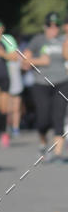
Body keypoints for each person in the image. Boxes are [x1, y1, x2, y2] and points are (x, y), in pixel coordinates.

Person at [22, 12, 68, 161]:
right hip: (41, 83)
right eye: (50, 25)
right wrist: (40, 61)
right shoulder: (37, 40)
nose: (53, 28)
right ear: (45, 26)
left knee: (59, 116)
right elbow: (24, 61)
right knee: (43, 119)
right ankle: (43, 142)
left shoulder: (64, 40)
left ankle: (58, 153)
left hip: (61, 82)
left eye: (56, 26)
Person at [0, 21, 21, 147]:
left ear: (2, 28)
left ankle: (4, 132)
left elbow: (15, 56)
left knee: (5, 107)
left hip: (5, 75)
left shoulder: (8, 39)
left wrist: (3, 54)